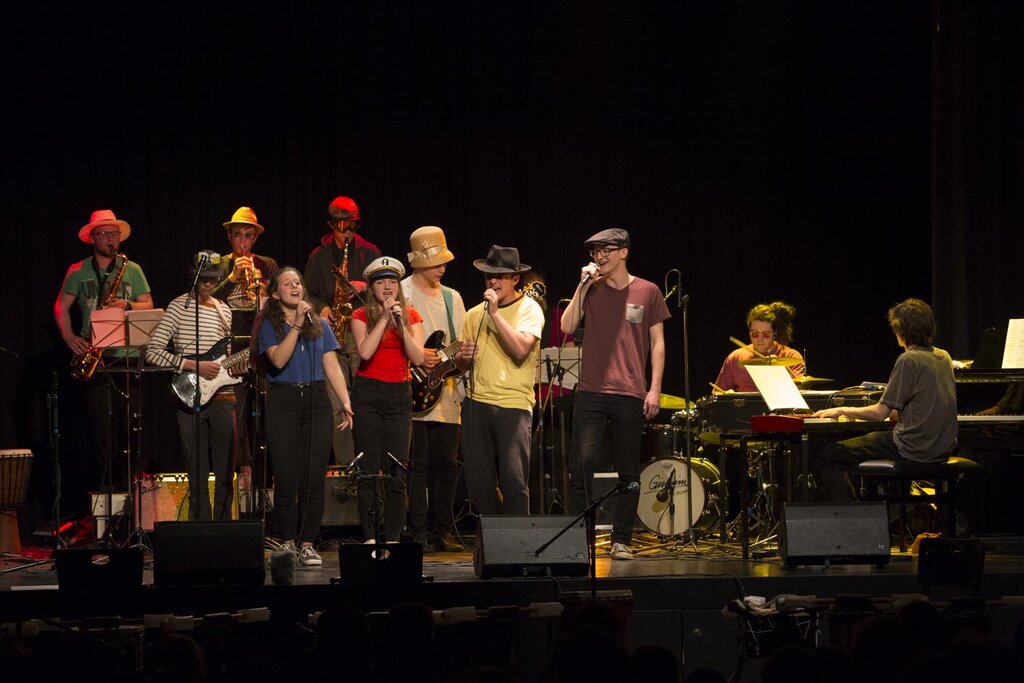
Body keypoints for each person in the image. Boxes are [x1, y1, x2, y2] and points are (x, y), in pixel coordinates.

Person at [560, 228, 670, 560]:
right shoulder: (591, 288)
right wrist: (582, 285)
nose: (600, 256)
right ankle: (579, 540)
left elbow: (658, 343)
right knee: (581, 467)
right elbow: (566, 326)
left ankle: (622, 539)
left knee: (628, 472)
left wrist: (654, 388)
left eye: (606, 250)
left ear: (623, 252)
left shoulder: (648, 290)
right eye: (595, 252)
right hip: (591, 391)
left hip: (630, 392)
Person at [811, 298, 958, 501]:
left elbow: (880, 413)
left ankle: (852, 515)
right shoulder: (944, 357)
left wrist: (841, 410)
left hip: (912, 448)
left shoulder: (908, 359)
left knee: (827, 456)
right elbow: (925, 404)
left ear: (900, 331)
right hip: (941, 448)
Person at [55, 209, 154, 498]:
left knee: (132, 426)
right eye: (105, 234)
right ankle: (106, 492)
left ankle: (134, 491)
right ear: (92, 238)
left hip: (127, 354)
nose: (112, 239)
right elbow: (60, 306)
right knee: (101, 429)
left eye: (115, 234)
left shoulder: (131, 268)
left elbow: (149, 304)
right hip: (95, 356)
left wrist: (128, 305)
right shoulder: (78, 270)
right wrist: (69, 337)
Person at [258, 267, 354, 565]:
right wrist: (297, 324)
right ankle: (288, 541)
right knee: (286, 477)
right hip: (283, 400)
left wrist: (345, 401)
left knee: (314, 479)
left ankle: (309, 544)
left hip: (316, 400)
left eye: (297, 282)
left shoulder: (320, 324)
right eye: (287, 283)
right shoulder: (269, 325)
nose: (294, 286)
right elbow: (278, 359)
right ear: (276, 294)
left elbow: (332, 366)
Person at [145, 251, 237, 520]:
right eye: (204, 278)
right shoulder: (178, 306)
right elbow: (153, 352)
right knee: (196, 468)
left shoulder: (224, 310)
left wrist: (236, 365)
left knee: (226, 467)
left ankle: (224, 526)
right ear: (194, 276)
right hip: (190, 392)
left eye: (213, 278)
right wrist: (193, 365)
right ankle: (200, 527)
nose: (208, 283)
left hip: (223, 394)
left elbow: (225, 356)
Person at [457, 245, 544, 516]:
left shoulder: (529, 308)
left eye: (501, 276)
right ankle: (491, 536)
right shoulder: (473, 314)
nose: (493, 281)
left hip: (513, 404)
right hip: (476, 403)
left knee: (513, 481)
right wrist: (462, 357)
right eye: (489, 276)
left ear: (515, 278)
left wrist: (495, 314)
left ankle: (516, 539)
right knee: (478, 482)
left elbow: (520, 350)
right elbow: (462, 365)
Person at [400, 226, 469, 551]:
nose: (441, 268)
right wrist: (416, 356)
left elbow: (459, 344)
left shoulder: (452, 297)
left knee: (447, 465)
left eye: (444, 262)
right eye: (435, 262)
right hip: (410, 388)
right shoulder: (401, 291)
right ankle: (417, 533)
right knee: (417, 465)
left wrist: (465, 355)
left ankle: (442, 530)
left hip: (445, 390)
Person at [349, 256, 425, 543]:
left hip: (398, 395)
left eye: (392, 281)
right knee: (368, 471)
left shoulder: (411, 315)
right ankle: (370, 536)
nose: (387, 287)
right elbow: (365, 352)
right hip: (368, 393)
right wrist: (382, 319)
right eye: (381, 282)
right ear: (372, 287)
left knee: (397, 471)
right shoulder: (360, 315)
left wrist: (400, 323)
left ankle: (393, 537)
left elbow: (418, 357)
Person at [304, 196, 382, 468]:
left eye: (352, 226)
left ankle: (370, 465)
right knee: (337, 405)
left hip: (363, 335)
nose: (347, 232)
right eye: (342, 226)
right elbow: (307, 294)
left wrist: (365, 287)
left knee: (365, 402)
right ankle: (345, 467)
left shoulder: (370, 253)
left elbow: (388, 289)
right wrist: (323, 307)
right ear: (331, 225)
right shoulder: (318, 256)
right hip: (332, 335)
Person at [210, 206, 280, 497]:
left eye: (247, 235)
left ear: (255, 238)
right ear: (229, 236)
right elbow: (206, 301)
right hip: (230, 347)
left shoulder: (267, 264)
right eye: (237, 234)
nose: (242, 240)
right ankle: (243, 471)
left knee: (268, 412)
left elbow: (280, 302)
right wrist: (231, 278)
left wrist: (263, 288)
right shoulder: (219, 264)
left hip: (261, 345)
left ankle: (271, 478)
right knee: (235, 414)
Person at [714, 301, 805, 392]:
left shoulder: (792, 356)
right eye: (755, 334)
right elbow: (717, 393)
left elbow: (802, 392)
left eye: (765, 334)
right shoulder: (735, 358)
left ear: (774, 333)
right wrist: (726, 395)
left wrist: (784, 371)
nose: (759, 339)